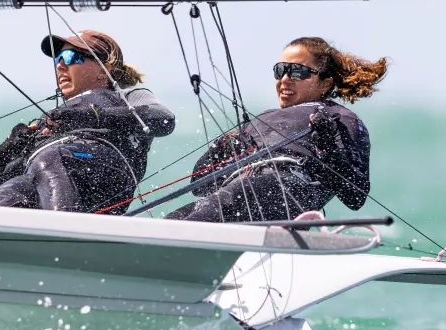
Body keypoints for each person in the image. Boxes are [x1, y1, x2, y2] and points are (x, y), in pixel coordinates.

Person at [165, 36, 386, 223]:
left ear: (325, 84)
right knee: (176, 219)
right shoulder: (261, 119)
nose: (285, 80)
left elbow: (356, 197)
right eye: (280, 71)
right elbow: (199, 185)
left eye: (298, 72)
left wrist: (328, 145)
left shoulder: (339, 118)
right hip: (238, 189)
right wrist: (221, 148)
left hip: (288, 188)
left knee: (217, 207)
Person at [0, 30, 176, 214]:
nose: (61, 66)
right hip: (50, 173)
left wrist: (89, 115)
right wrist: (5, 151)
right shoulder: (51, 122)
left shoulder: (127, 96)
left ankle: (64, 237)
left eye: (72, 57)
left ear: (104, 68)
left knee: (53, 157)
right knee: (10, 191)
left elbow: (163, 120)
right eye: (58, 60)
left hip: (106, 175)